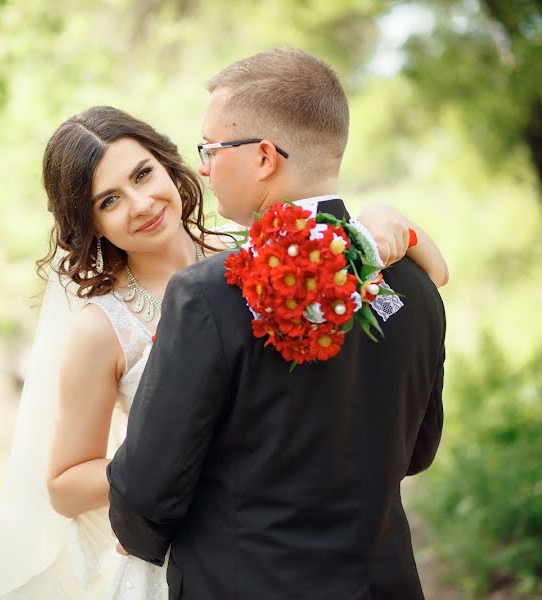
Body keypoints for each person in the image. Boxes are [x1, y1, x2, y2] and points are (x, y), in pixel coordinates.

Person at [0, 100, 448, 599]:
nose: (139, 204)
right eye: (108, 201)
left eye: (142, 175)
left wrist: (384, 220)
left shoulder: (257, 255)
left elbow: (432, 276)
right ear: (89, 223)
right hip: (195, 561)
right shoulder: (101, 329)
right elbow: (65, 484)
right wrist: (167, 460)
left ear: (168, 165)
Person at [107, 49, 447, 599]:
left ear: (264, 157)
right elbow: (419, 450)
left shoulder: (208, 293)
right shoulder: (415, 284)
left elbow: (147, 489)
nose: (201, 166)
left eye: (211, 148)